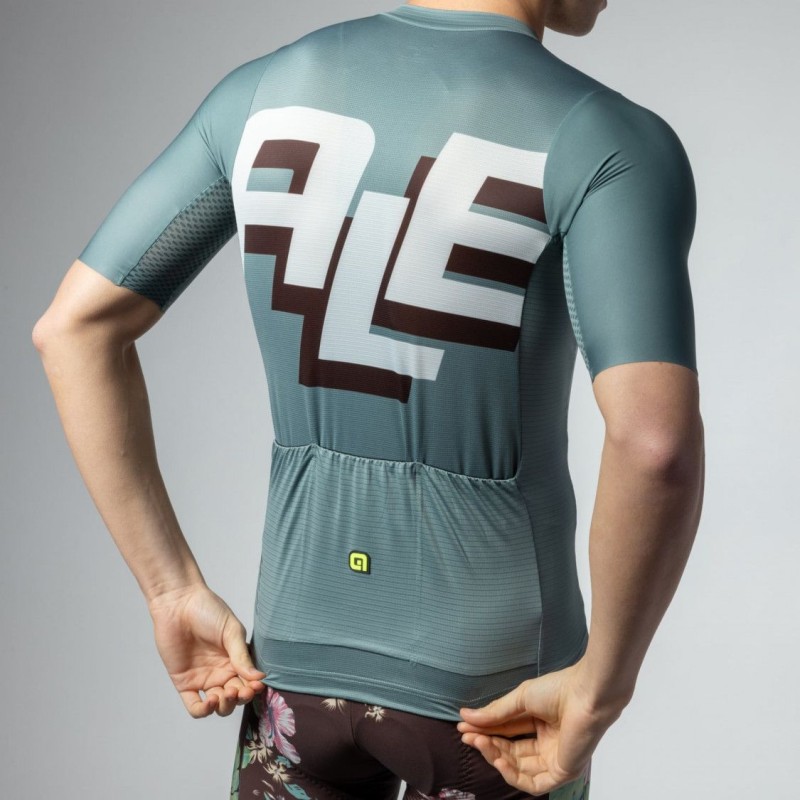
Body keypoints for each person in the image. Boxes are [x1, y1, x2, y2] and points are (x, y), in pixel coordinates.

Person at [32, 0, 705, 797]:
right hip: (498, 695)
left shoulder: (258, 96)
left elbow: (73, 330)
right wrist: (604, 684)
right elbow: (654, 445)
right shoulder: (608, 141)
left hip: (292, 673)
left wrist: (170, 591)